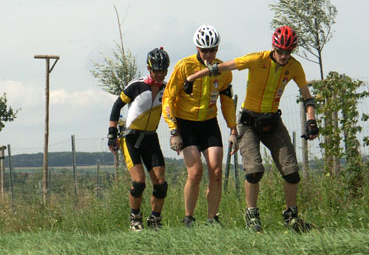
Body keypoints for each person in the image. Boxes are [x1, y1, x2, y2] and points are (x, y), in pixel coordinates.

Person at [191, 25, 319, 232]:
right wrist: (192, 78)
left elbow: (307, 96)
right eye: (280, 51)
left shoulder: (294, 67)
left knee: (292, 172)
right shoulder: (257, 59)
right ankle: (252, 215)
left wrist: (311, 120)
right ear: (273, 47)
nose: (284, 56)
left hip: (273, 121)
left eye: (288, 52)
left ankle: (291, 217)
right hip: (248, 122)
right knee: (254, 171)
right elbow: (224, 67)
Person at [162, 24, 237, 228]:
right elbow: (168, 98)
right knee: (195, 172)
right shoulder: (184, 67)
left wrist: (233, 128)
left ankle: (212, 219)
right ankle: (188, 217)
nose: (208, 55)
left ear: (217, 49)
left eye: (212, 50)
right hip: (185, 124)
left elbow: (227, 101)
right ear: (197, 48)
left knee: (216, 171)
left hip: (208, 123)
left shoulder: (222, 70)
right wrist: (173, 130)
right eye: (204, 50)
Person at [107, 48, 169, 230]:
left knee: (160, 184)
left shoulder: (167, 88)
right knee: (139, 183)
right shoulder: (137, 86)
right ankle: (135, 218)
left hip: (151, 138)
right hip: (131, 138)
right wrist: (112, 134)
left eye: (163, 71)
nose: (159, 74)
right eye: (155, 70)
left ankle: (155, 221)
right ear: (149, 69)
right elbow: (117, 106)